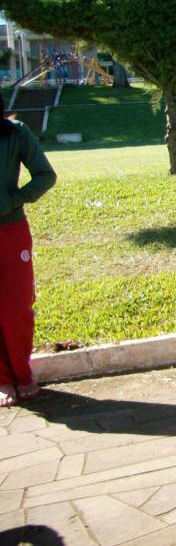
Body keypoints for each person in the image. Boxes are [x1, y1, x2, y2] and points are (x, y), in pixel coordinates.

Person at [1, 112, 56, 408]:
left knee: (17, 307)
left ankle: (22, 375)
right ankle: (2, 380)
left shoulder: (15, 132)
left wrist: (11, 200)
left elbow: (46, 175)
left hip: (10, 230)